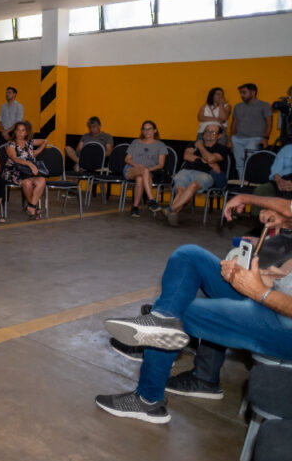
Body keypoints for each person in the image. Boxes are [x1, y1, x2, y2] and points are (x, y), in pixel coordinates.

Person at [94, 193, 292, 424]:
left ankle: (148, 398)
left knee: (176, 313)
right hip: (275, 297)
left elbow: (288, 207)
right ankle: (158, 327)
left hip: (283, 323)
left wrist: (261, 292)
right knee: (189, 256)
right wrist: (261, 277)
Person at [162, 123, 229, 226]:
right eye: (207, 131)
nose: (209, 134)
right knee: (180, 190)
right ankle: (173, 214)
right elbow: (187, 156)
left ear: (219, 136)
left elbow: (211, 158)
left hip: (205, 174)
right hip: (186, 171)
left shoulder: (221, 149)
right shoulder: (193, 143)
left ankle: (171, 209)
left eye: (213, 132)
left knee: (193, 185)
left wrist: (201, 147)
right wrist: (206, 162)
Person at [2, 120, 47, 220]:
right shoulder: (10, 144)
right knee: (27, 183)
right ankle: (33, 208)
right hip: (14, 172)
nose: (20, 132)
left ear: (26, 132)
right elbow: (15, 159)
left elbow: (45, 141)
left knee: (42, 181)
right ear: (15, 131)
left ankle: (31, 207)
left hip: (28, 172)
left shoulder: (29, 142)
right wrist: (29, 163)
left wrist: (37, 152)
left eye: (23, 130)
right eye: (18, 130)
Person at [124, 120, 168, 217]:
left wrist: (147, 170)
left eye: (149, 129)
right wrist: (138, 166)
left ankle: (135, 208)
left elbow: (161, 164)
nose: (146, 131)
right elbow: (127, 159)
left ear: (155, 131)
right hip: (131, 169)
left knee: (140, 179)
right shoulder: (136, 142)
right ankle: (151, 200)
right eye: (144, 129)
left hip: (148, 172)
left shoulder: (160, 145)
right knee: (143, 172)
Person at [230, 82, 273, 179]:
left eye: (244, 92)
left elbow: (269, 123)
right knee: (239, 164)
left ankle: (251, 184)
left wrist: (266, 138)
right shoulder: (238, 106)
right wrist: (231, 140)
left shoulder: (264, 105)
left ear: (253, 92)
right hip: (238, 139)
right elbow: (234, 123)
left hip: (255, 138)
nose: (242, 95)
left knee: (250, 161)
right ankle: (243, 185)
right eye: (240, 93)